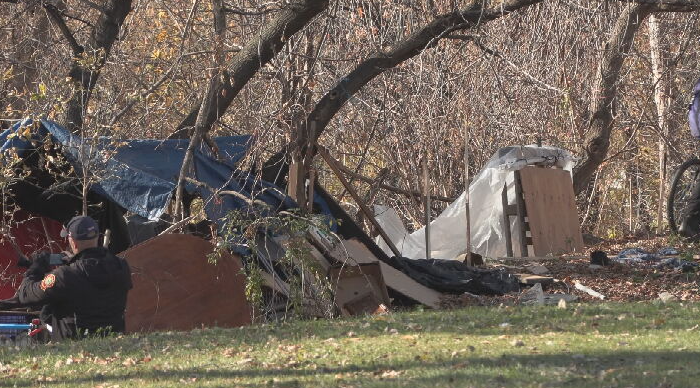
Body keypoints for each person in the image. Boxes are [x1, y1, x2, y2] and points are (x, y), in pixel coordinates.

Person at [17, 216, 132, 341]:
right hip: (113, 342)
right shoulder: (121, 266)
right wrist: (72, 261)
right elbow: (93, 287)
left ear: (73, 243)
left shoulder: (65, 275)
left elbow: (26, 295)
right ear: (97, 237)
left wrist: (36, 268)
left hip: (74, 346)